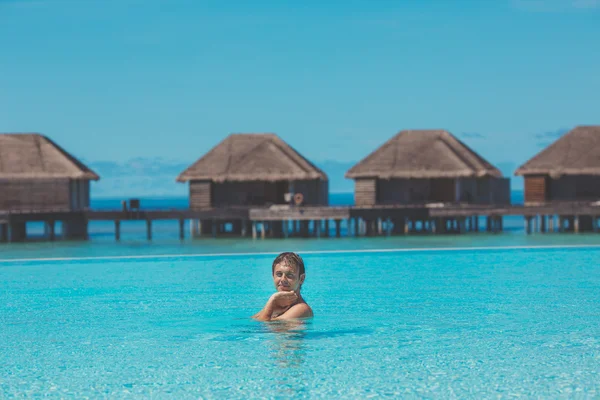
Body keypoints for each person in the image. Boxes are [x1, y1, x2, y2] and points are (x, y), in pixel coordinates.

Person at [252, 252, 313, 321]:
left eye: (289, 275)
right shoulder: (278, 306)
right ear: (273, 277)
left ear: (301, 279)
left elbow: (263, 328)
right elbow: (252, 321)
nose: (283, 279)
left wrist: (272, 300)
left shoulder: (301, 309)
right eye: (279, 274)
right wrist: (273, 309)